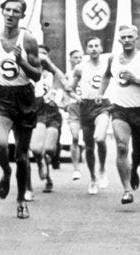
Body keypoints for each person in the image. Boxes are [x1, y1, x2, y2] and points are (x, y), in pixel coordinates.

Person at [0, 0, 41, 219]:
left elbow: (37, 74)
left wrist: (22, 63)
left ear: (21, 16)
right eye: (7, 10)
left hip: (25, 96)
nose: (10, 14)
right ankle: (6, 172)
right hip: (2, 96)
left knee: (21, 155)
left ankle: (20, 201)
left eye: (15, 11)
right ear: (2, 12)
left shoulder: (28, 41)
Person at [96, 24, 140, 205]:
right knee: (122, 147)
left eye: (129, 37)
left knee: (138, 153)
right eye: (123, 37)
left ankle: (133, 171)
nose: (126, 40)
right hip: (120, 110)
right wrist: (101, 94)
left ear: (136, 38)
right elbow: (106, 76)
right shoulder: (113, 59)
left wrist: (136, 80)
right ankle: (126, 190)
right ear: (119, 40)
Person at [68, 36, 110, 194]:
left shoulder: (107, 66)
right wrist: (76, 96)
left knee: (100, 137)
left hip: (102, 106)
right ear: (87, 49)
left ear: (101, 49)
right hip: (85, 107)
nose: (93, 48)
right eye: (90, 46)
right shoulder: (80, 68)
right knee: (89, 147)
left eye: (96, 46)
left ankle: (102, 170)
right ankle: (92, 178)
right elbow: (70, 88)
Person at [29, 44, 68, 194]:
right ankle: (41, 164)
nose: (41, 56)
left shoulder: (53, 74)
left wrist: (58, 98)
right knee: (37, 149)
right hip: (37, 112)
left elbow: (63, 91)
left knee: (50, 149)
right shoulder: (30, 73)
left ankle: (47, 173)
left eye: (44, 53)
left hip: (52, 113)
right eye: (38, 53)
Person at [66, 49, 84, 181]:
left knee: (90, 139)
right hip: (73, 107)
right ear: (70, 60)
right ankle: (76, 169)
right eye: (75, 58)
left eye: (80, 57)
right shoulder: (67, 75)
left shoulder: (87, 72)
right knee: (75, 137)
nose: (78, 60)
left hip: (87, 106)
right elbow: (63, 92)